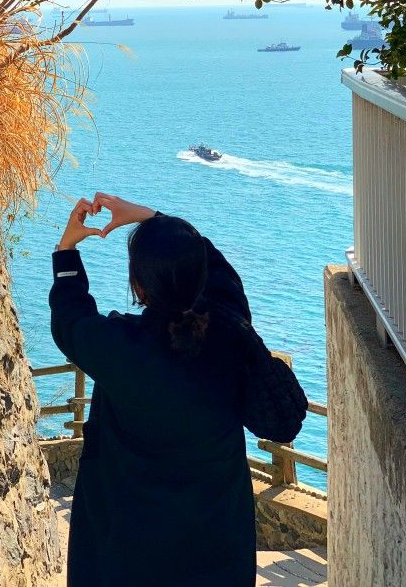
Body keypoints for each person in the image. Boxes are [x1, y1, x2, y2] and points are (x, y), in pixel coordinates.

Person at [49, 193, 308, 587]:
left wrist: (66, 250)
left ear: (138, 283)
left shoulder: (119, 349)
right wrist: (155, 218)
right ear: (201, 276)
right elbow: (218, 276)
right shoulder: (230, 333)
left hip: (124, 554)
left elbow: (70, 319)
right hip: (215, 553)